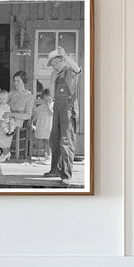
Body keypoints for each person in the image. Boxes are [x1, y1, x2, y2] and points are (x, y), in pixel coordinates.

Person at [43, 46, 82, 185]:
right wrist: (51, 81)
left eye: (55, 63)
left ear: (62, 60)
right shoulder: (56, 75)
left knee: (66, 141)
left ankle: (66, 175)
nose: (54, 66)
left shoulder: (71, 71)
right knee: (54, 139)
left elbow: (78, 68)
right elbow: (52, 96)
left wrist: (65, 55)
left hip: (68, 109)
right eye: (52, 65)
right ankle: (55, 170)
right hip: (57, 108)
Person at [0, 71, 34, 163]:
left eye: (18, 81)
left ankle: (5, 152)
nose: (15, 83)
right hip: (4, 117)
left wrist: (12, 114)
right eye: (14, 81)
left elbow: (28, 115)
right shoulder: (11, 93)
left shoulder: (29, 96)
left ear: (24, 82)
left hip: (16, 120)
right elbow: (3, 102)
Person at [33, 88, 53, 164]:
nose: (47, 102)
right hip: (43, 126)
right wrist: (32, 121)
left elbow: (52, 114)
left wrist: (48, 107)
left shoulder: (53, 105)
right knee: (44, 141)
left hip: (49, 126)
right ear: (43, 99)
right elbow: (36, 114)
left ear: (52, 98)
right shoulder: (41, 106)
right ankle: (46, 155)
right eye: (45, 100)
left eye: (49, 100)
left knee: (48, 141)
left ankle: (49, 156)